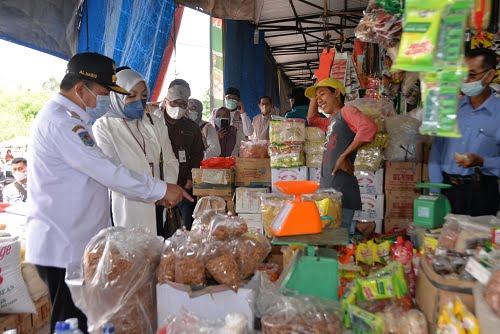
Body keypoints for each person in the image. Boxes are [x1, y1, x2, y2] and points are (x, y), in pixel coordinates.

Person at [26, 52, 192, 333]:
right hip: (62, 246)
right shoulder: (63, 123)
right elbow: (108, 171)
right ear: (81, 89)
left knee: (82, 318)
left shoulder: (72, 120)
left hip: (73, 241)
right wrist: (162, 189)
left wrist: (160, 189)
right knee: (70, 322)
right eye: (102, 93)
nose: (102, 101)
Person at [93, 68, 179, 236]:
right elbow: (113, 172)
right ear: (116, 96)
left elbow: (170, 159)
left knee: (158, 250)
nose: (139, 101)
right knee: (132, 252)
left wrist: (165, 192)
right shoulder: (104, 127)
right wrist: (156, 191)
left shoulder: (154, 122)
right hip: (128, 204)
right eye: (131, 95)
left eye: (144, 95)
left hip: (160, 203)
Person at [429, 48, 500, 216]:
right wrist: (435, 191)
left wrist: (483, 161)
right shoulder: (451, 108)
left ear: (490, 75)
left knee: (476, 241)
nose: (465, 79)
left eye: (472, 74)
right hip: (447, 190)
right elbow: (437, 150)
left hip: (482, 193)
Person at [306, 78, 378, 231]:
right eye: (317, 97)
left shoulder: (347, 111)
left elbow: (369, 127)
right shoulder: (332, 120)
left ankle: (363, 228)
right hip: (330, 185)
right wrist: (314, 95)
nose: (319, 100)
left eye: (323, 94)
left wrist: (344, 156)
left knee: (336, 234)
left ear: (337, 93)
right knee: (332, 230)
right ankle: (361, 228)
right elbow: (312, 120)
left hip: (341, 187)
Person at [154, 80, 204, 231]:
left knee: (186, 221)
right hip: (159, 182)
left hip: (183, 182)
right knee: (157, 222)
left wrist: (189, 179)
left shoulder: (192, 128)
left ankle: (185, 247)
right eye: (175, 103)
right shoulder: (154, 122)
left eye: (183, 104)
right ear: (166, 101)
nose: (178, 108)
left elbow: (196, 155)